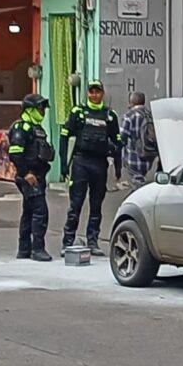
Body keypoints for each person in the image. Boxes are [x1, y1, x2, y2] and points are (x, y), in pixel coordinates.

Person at [60, 81, 122, 256]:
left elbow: (118, 143)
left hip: (100, 164)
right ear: (87, 93)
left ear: (103, 93)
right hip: (81, 162)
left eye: (98, 91)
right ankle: (68, 242)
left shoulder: (110, 115)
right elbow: (64, 136)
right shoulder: (78, 112)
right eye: (91, 91)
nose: (94, 95)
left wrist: (118, 168)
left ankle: (93, 241)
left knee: (96, 206)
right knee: (75, 205)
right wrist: (64, 164)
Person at [6, 93, 55, 262]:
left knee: (29, 212)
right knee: (40, 211)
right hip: (29, 177)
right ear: (30, 109)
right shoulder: (22, 128)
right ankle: (37, 249)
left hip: (37, 175)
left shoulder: (37, 128)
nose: (42, 112)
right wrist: (25, 173)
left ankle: (24, 249)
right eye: (39, 108)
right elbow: (15, 153)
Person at [120, 91, 154, 188]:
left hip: (133, 157)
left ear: (131, 102)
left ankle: (141, 200)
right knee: (140, 180)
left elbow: (122, 137)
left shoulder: (129, 116)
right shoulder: (150, 115)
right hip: (148, 156)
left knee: (137, 184)